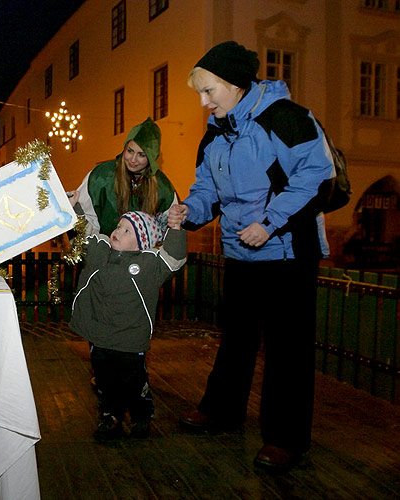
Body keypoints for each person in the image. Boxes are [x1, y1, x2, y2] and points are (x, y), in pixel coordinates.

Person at [169, 41, 335, 470]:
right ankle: (222, 411)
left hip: (287, 252)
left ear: (234, 84)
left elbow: (317, 175)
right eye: (201, 94)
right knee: (237, 338)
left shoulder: (285, 118)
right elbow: (207, 188)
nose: (204, 103)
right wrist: (191, 211)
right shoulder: (217, 131)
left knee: (287, 350)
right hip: (242, 251)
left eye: (209, 92)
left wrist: (271, 221)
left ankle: (286, 439)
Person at [69, 211, 186, 439]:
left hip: (130, 340)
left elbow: (174, 258)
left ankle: (141, 415)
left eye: (127, 231)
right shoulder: (100, 252)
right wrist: (75, 210)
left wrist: (176, 230)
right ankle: (109, 416)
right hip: (99, 335)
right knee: (104, 380)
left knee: (134, 382)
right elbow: (80, 237)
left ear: (142, 243)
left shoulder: (150, 264)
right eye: (119, 226)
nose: (117, 232)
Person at [70, 116, 178, 237]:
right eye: (130, 151)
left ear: (151, 158)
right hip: (102, 250)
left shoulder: (163, 188)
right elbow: (84, 219)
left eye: (141, 155)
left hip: (143, 255)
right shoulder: (101, 176)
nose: (133, 159)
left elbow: (167, 232)